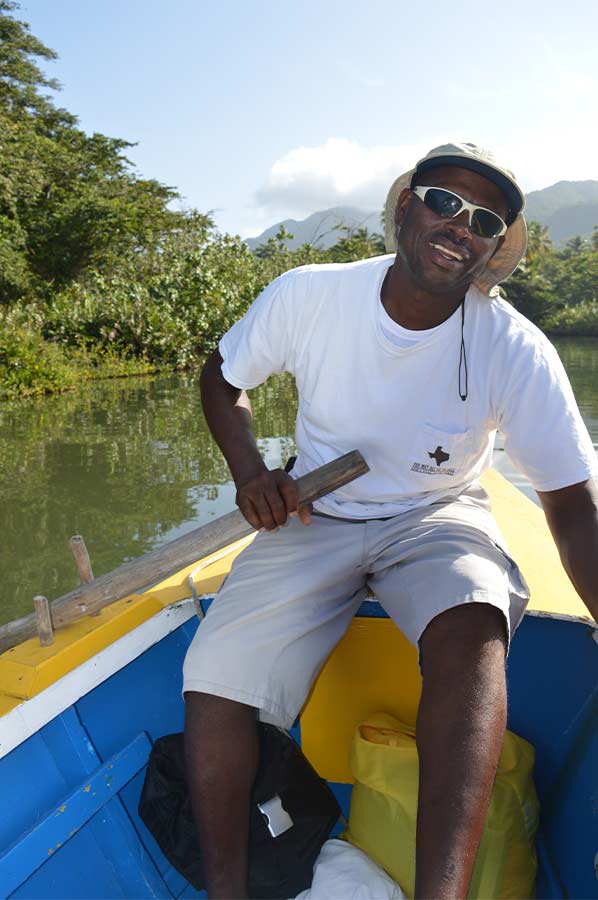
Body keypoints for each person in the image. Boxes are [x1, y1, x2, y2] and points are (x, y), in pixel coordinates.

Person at [183, 142, 598, 899]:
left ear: (492, 248)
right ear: (406, 206)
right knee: (213, 676)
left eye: (483, 220)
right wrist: (251, 473)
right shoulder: (310, 295)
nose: (459, 225)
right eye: (444, 201)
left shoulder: (514, 346)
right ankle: (226, 892)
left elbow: (571, 508)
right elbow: (223, 375)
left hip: (438, 514)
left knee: (472, 620)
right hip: (316, 512)